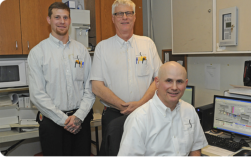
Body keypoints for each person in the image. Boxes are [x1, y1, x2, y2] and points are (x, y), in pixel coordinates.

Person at [90, 0, 162, 156]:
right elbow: (96, 86)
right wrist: (122, 106)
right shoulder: (103, 48)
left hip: (145, 113)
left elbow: (159, 79)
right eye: (119, 13)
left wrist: (139, 104)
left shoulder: (147, 44)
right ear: (113, 18)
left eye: (128, 13)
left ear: (134, 17)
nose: (124, 17)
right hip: (114, 115)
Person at [27, 2, 95, 157]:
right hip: (52, 123)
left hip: (80, 121)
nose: (62, 21)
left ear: (70, 21)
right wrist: (64, 120)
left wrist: (78, 117)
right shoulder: (38, 53)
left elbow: (89, 88)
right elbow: (37, 94)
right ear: (49, 20)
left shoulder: (82, 51)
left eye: (65, 17)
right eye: (57, 17)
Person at [118, 61, 208, 157]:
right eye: (169, 81)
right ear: (157, 82)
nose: (174, 87)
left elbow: (196, 147)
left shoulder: (189, 111)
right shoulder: (139, 118)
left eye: (179, 81)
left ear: (186, 83)